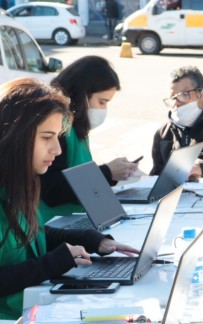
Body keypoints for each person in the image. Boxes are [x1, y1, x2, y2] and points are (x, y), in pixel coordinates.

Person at [0, 77, 138, 324]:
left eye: (58, 137)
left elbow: (30, 235)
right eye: (47, 137)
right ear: (13, 135)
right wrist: (52, 264)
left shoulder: (15, 184)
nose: (57, 149)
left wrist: (92, 240)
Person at [41, 55, 138, 222]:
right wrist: (107, 172)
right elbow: (52, 190)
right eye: (102, 102)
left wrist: (113, 174)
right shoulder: (58, 128)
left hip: (77, 220)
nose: (104, 109)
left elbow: (79, 176)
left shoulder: (77, 129)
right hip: (53, 225)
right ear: (82, 94)